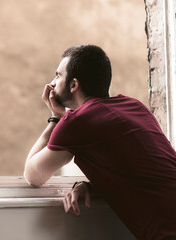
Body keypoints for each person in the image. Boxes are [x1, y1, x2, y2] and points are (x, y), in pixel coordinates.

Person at [23, 45, 176, 239]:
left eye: (58, 76)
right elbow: (142, 170)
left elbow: (33, 175)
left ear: (73, 85)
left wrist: (55, 118)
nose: (52, 83)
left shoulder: (78, 121)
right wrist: (90, 186)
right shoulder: (134, 106)